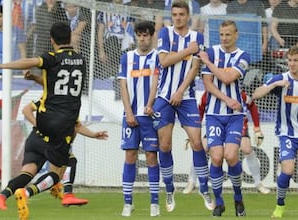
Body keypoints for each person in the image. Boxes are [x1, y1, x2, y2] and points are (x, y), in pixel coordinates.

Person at [0, 22, 86, 220]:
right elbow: (61, 84)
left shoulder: (52, 58)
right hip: (63, 122)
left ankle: (2, 195)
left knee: (29, 171)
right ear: (70, 38)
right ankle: (48, 193)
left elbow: (30, 63)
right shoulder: (80, 61)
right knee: (64, 166)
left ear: (52, 40)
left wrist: (0, 65)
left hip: (43, 124)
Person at [147, 0, 214, 213]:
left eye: (181, 15)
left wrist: (180, 91)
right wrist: (187, 50)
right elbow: (164, 62)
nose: (177, 18)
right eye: (174, 14)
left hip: (186, 97)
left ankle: (204, 188)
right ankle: (169, 189)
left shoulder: (198, 37)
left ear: (188, 16)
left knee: (197, 142)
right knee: (164, 145)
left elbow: (195, 67)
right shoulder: (165, 34)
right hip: (164, 97)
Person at [252, 46, 298, 218]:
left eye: (295, 60)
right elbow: (255, 94)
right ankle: (280, 206)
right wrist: (274, 84)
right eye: (289, 60)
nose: (291, 64)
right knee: (287, 170)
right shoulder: (281, 79)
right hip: (286, 134)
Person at [199, 20, 250, 217]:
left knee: (231, 156)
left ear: (236, 35)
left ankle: (238, 197)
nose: (224, 38)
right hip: (214, 114)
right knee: (217, 157)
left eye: (228, 34)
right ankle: (219, 202)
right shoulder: (212, 51)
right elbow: (208, 83)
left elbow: (228, 79)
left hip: (235, 116)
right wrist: (227, 99)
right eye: (221, 34)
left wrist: (208, 63)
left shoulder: (243, 56)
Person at [21, 100, 108, 207]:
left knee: (55, 175)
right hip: (51, 143)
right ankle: (67, 195)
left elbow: (77, 126)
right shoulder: (51, 100)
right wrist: (39, 125)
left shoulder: (64, 104)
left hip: (49, 142)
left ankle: (25, 193)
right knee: (70, 161)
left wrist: (93, 134)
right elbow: (26, 109)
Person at [183, 90, 270, 195]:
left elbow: (252, 106)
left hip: (236, 124)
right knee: (202, 148)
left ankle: (258, 183)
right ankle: (191, 182)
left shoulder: (238, 92)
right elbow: (200, 110)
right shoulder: (208, 94)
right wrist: (194, 132)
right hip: (217, 124)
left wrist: (257, 128)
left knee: (247, 148)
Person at [118, 20, 160, 217]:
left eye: (146, 35)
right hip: (131, 115)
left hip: (149, 116)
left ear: (151, 36)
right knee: (130, 156)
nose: (142, 39)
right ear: (136, 36)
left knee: (152, 156)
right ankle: (128, 202)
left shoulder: (158, 57)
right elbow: (123, 86)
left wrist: (149, 105)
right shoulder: (127, 57)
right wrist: (128, 112)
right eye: (139, 35)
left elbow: (155, 83)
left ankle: (154, 202)